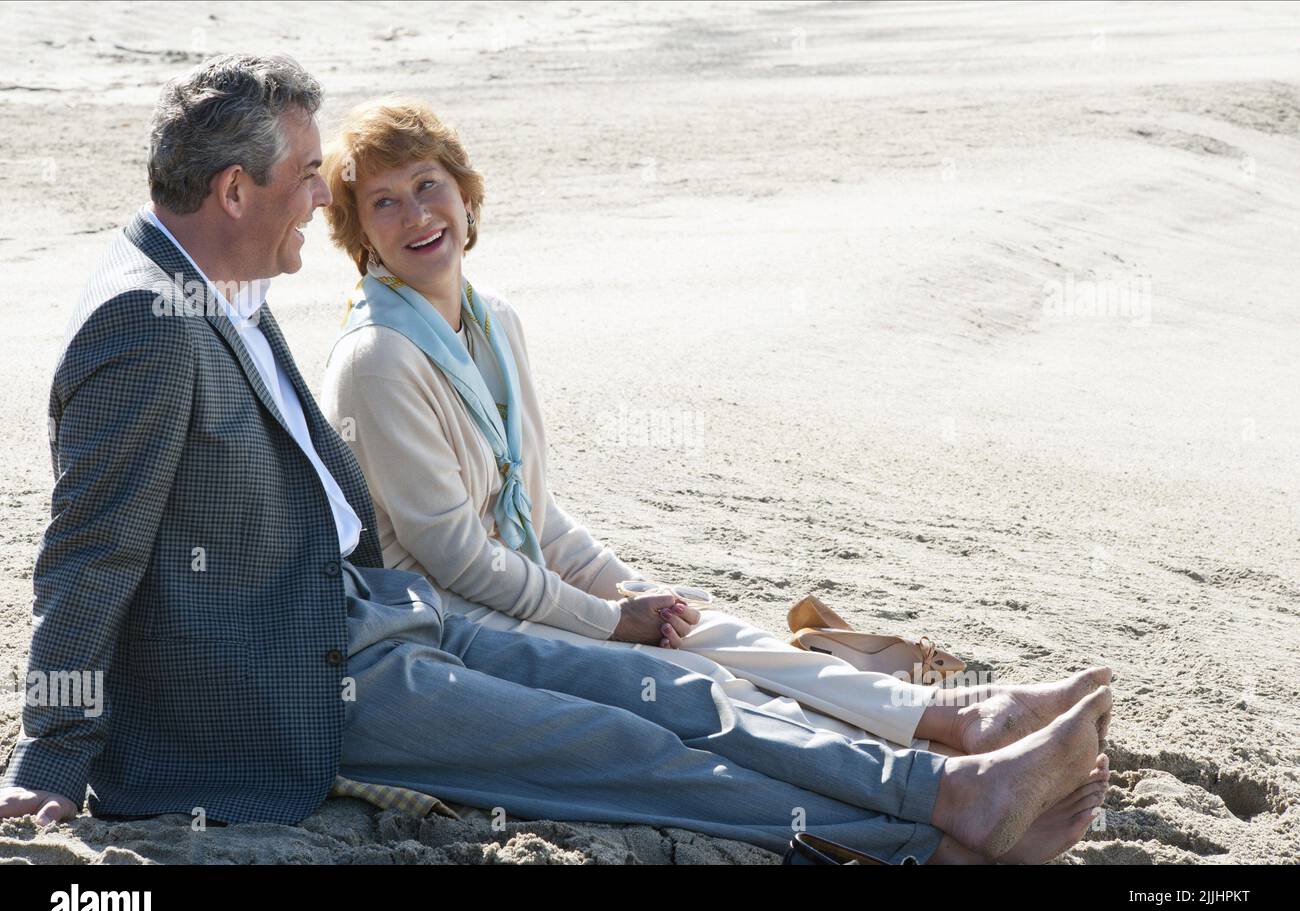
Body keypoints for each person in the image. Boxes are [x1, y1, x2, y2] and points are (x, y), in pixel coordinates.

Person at [0, 55, 1111, 865]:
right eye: (304, 176)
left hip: (377, 612)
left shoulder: (228, 286)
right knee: (616, 746)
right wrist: (50, 754)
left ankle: (941, 780)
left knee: (665, 686)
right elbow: (85, 558)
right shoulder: (143, 324)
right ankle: (933, 835)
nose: (320, 199)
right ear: (232, 191)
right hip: (301, 685)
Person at [318, 96, 1113, 759]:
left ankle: (968, 714)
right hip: (445, 621)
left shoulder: (495, 324)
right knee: (700, 684)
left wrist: (630, 592)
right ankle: (916, 752)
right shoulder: (381, 360)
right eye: (383, 202)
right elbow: (455, 556)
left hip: (513, 589)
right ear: (361, 237)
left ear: (465, 193)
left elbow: (534, 509)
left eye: (429, 185)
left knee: (707, 627)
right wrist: (606, 621)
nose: (416, 215)